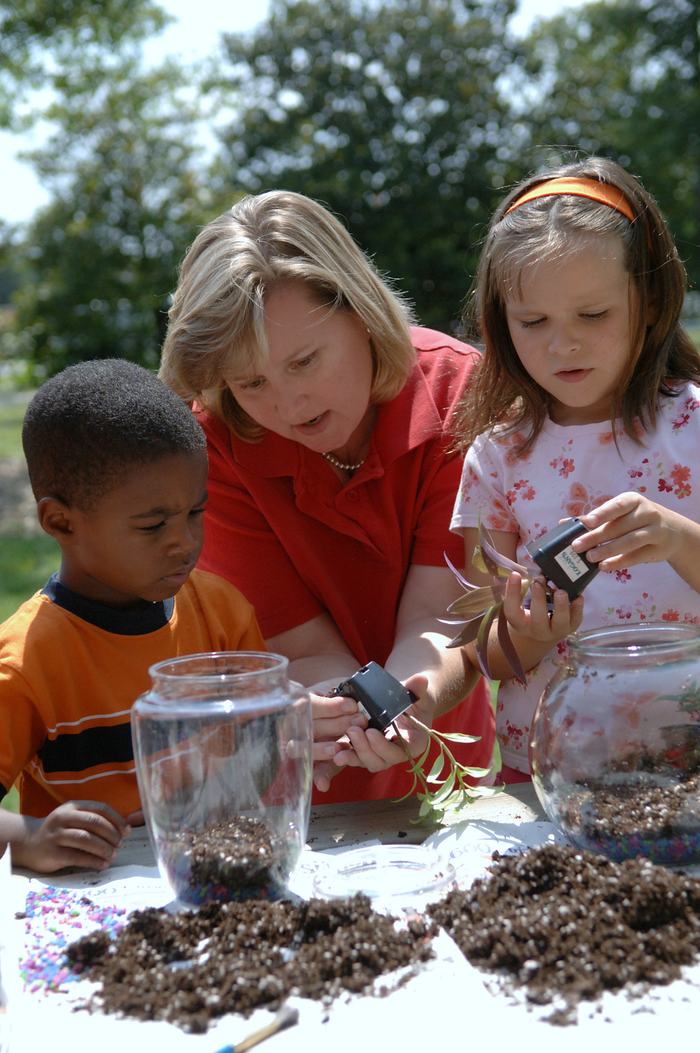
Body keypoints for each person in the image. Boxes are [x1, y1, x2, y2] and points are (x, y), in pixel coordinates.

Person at [159, 190, 494, 803]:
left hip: (450, 778)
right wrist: (353, 713)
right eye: (251, 382)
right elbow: (300, 645)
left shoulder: (457, 390)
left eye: (305, 361)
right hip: (299, 788)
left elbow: (442, 612)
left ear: (362, 313)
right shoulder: (211, 446)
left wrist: (406, 701)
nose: (289, 404)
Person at [450, 155, 700, 781]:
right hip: (555, 776)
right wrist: (531, 636)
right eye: (533, 322)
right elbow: (482, 647)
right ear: (500, 324)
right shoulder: (495, 459)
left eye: (593, 316)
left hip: (688, 766)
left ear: (649, 302)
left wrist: (677, 539)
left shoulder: (694, 425)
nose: (564, 344)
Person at [0, 359, 266, 873]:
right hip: (89, 906)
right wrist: (29, 837)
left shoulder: (221, 614)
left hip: (217, 880)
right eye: (152, 526)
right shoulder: (27, 662)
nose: (185, 543)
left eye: (195, 512)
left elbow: (260, 749)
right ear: (60, 521)